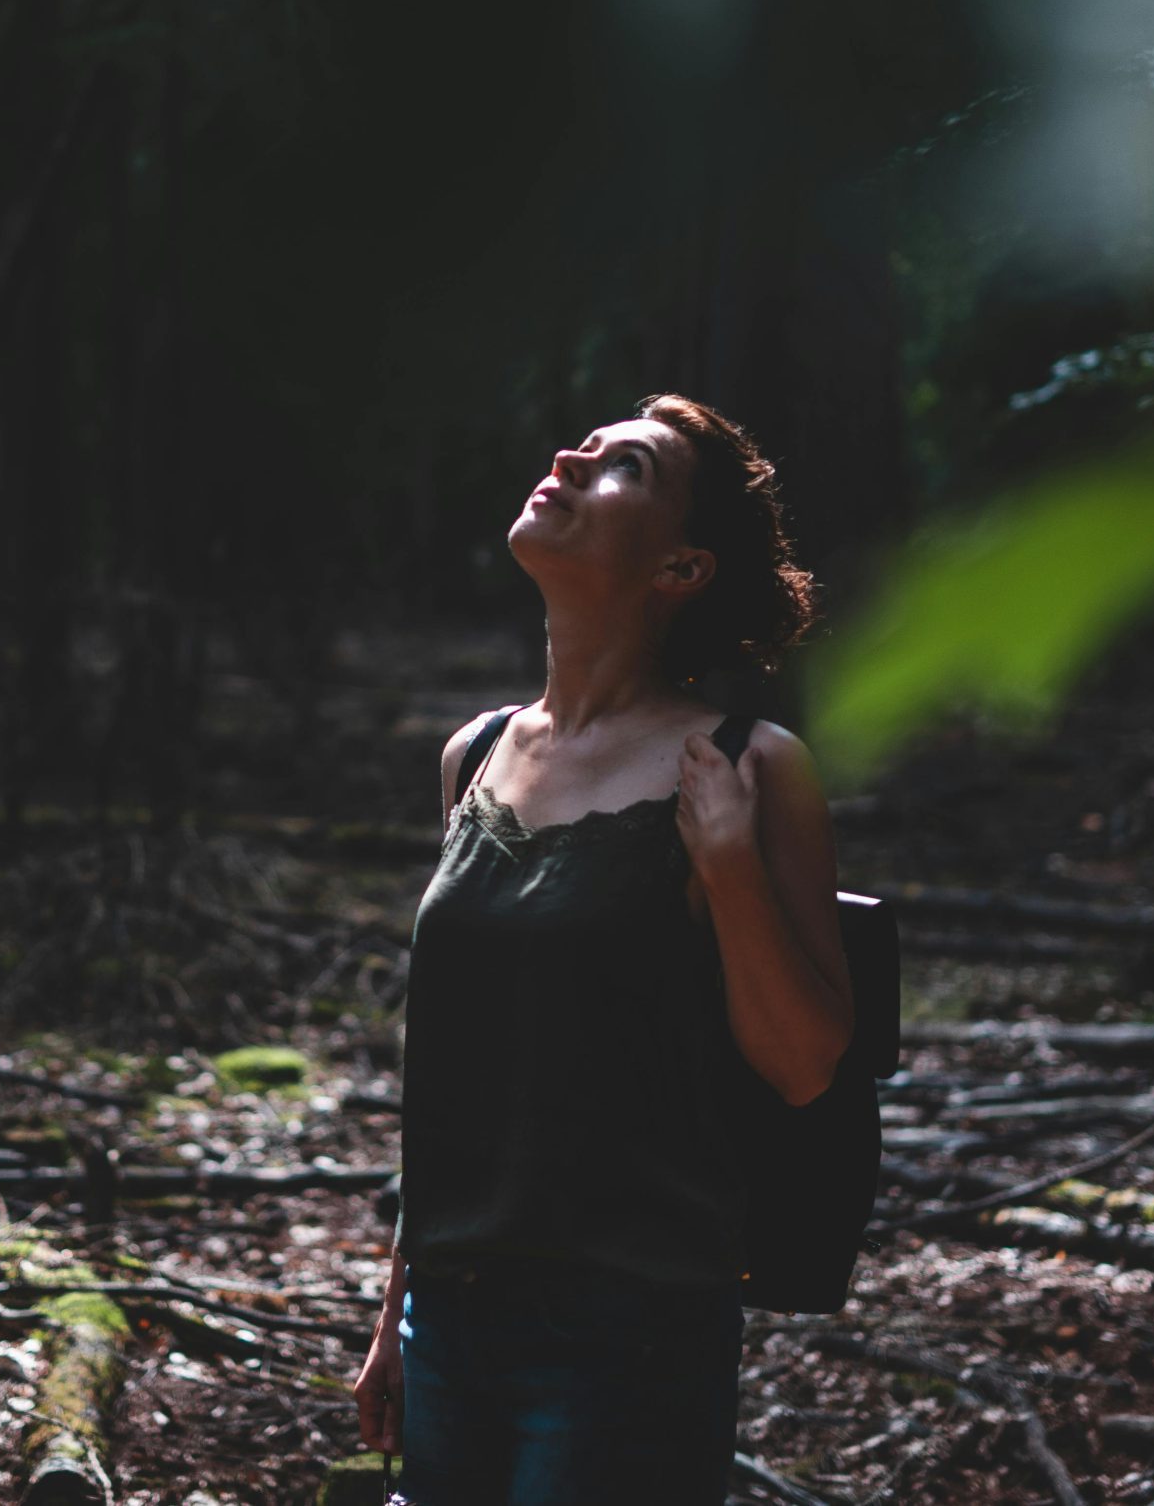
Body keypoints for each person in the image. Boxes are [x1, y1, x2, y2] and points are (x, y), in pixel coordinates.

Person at [349, 393, 855, 1504]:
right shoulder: (473, 754)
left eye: (623, 465)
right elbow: (453, 1078)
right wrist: (394, 1316)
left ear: (680, 568)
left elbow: (806, 1060)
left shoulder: (751, 765)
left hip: (629, 1329)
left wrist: (726, 869)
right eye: (584, 444)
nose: (572, 457)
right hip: (452, 1311)